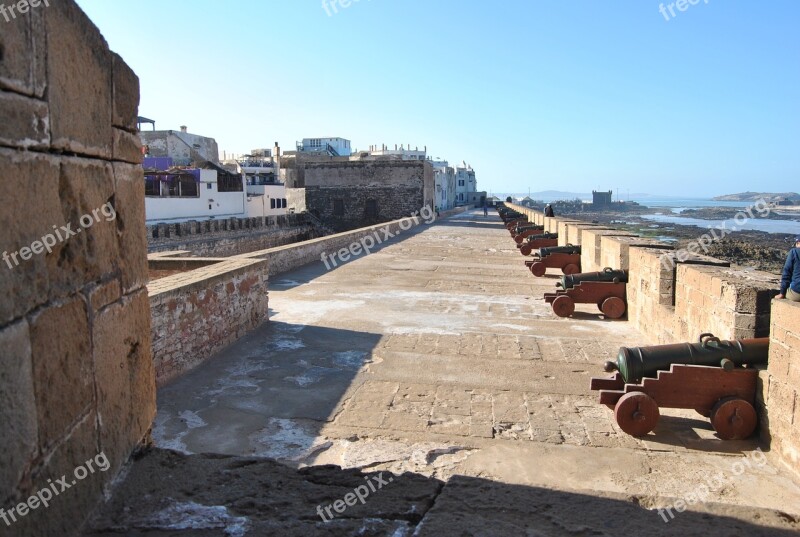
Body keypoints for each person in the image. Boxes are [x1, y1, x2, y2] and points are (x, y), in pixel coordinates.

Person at [778, 235, 800, 302]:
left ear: (798, 243)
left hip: (797, 293)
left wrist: (782, 293)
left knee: (789, 292)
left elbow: (786, 273)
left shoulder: (794, 252)